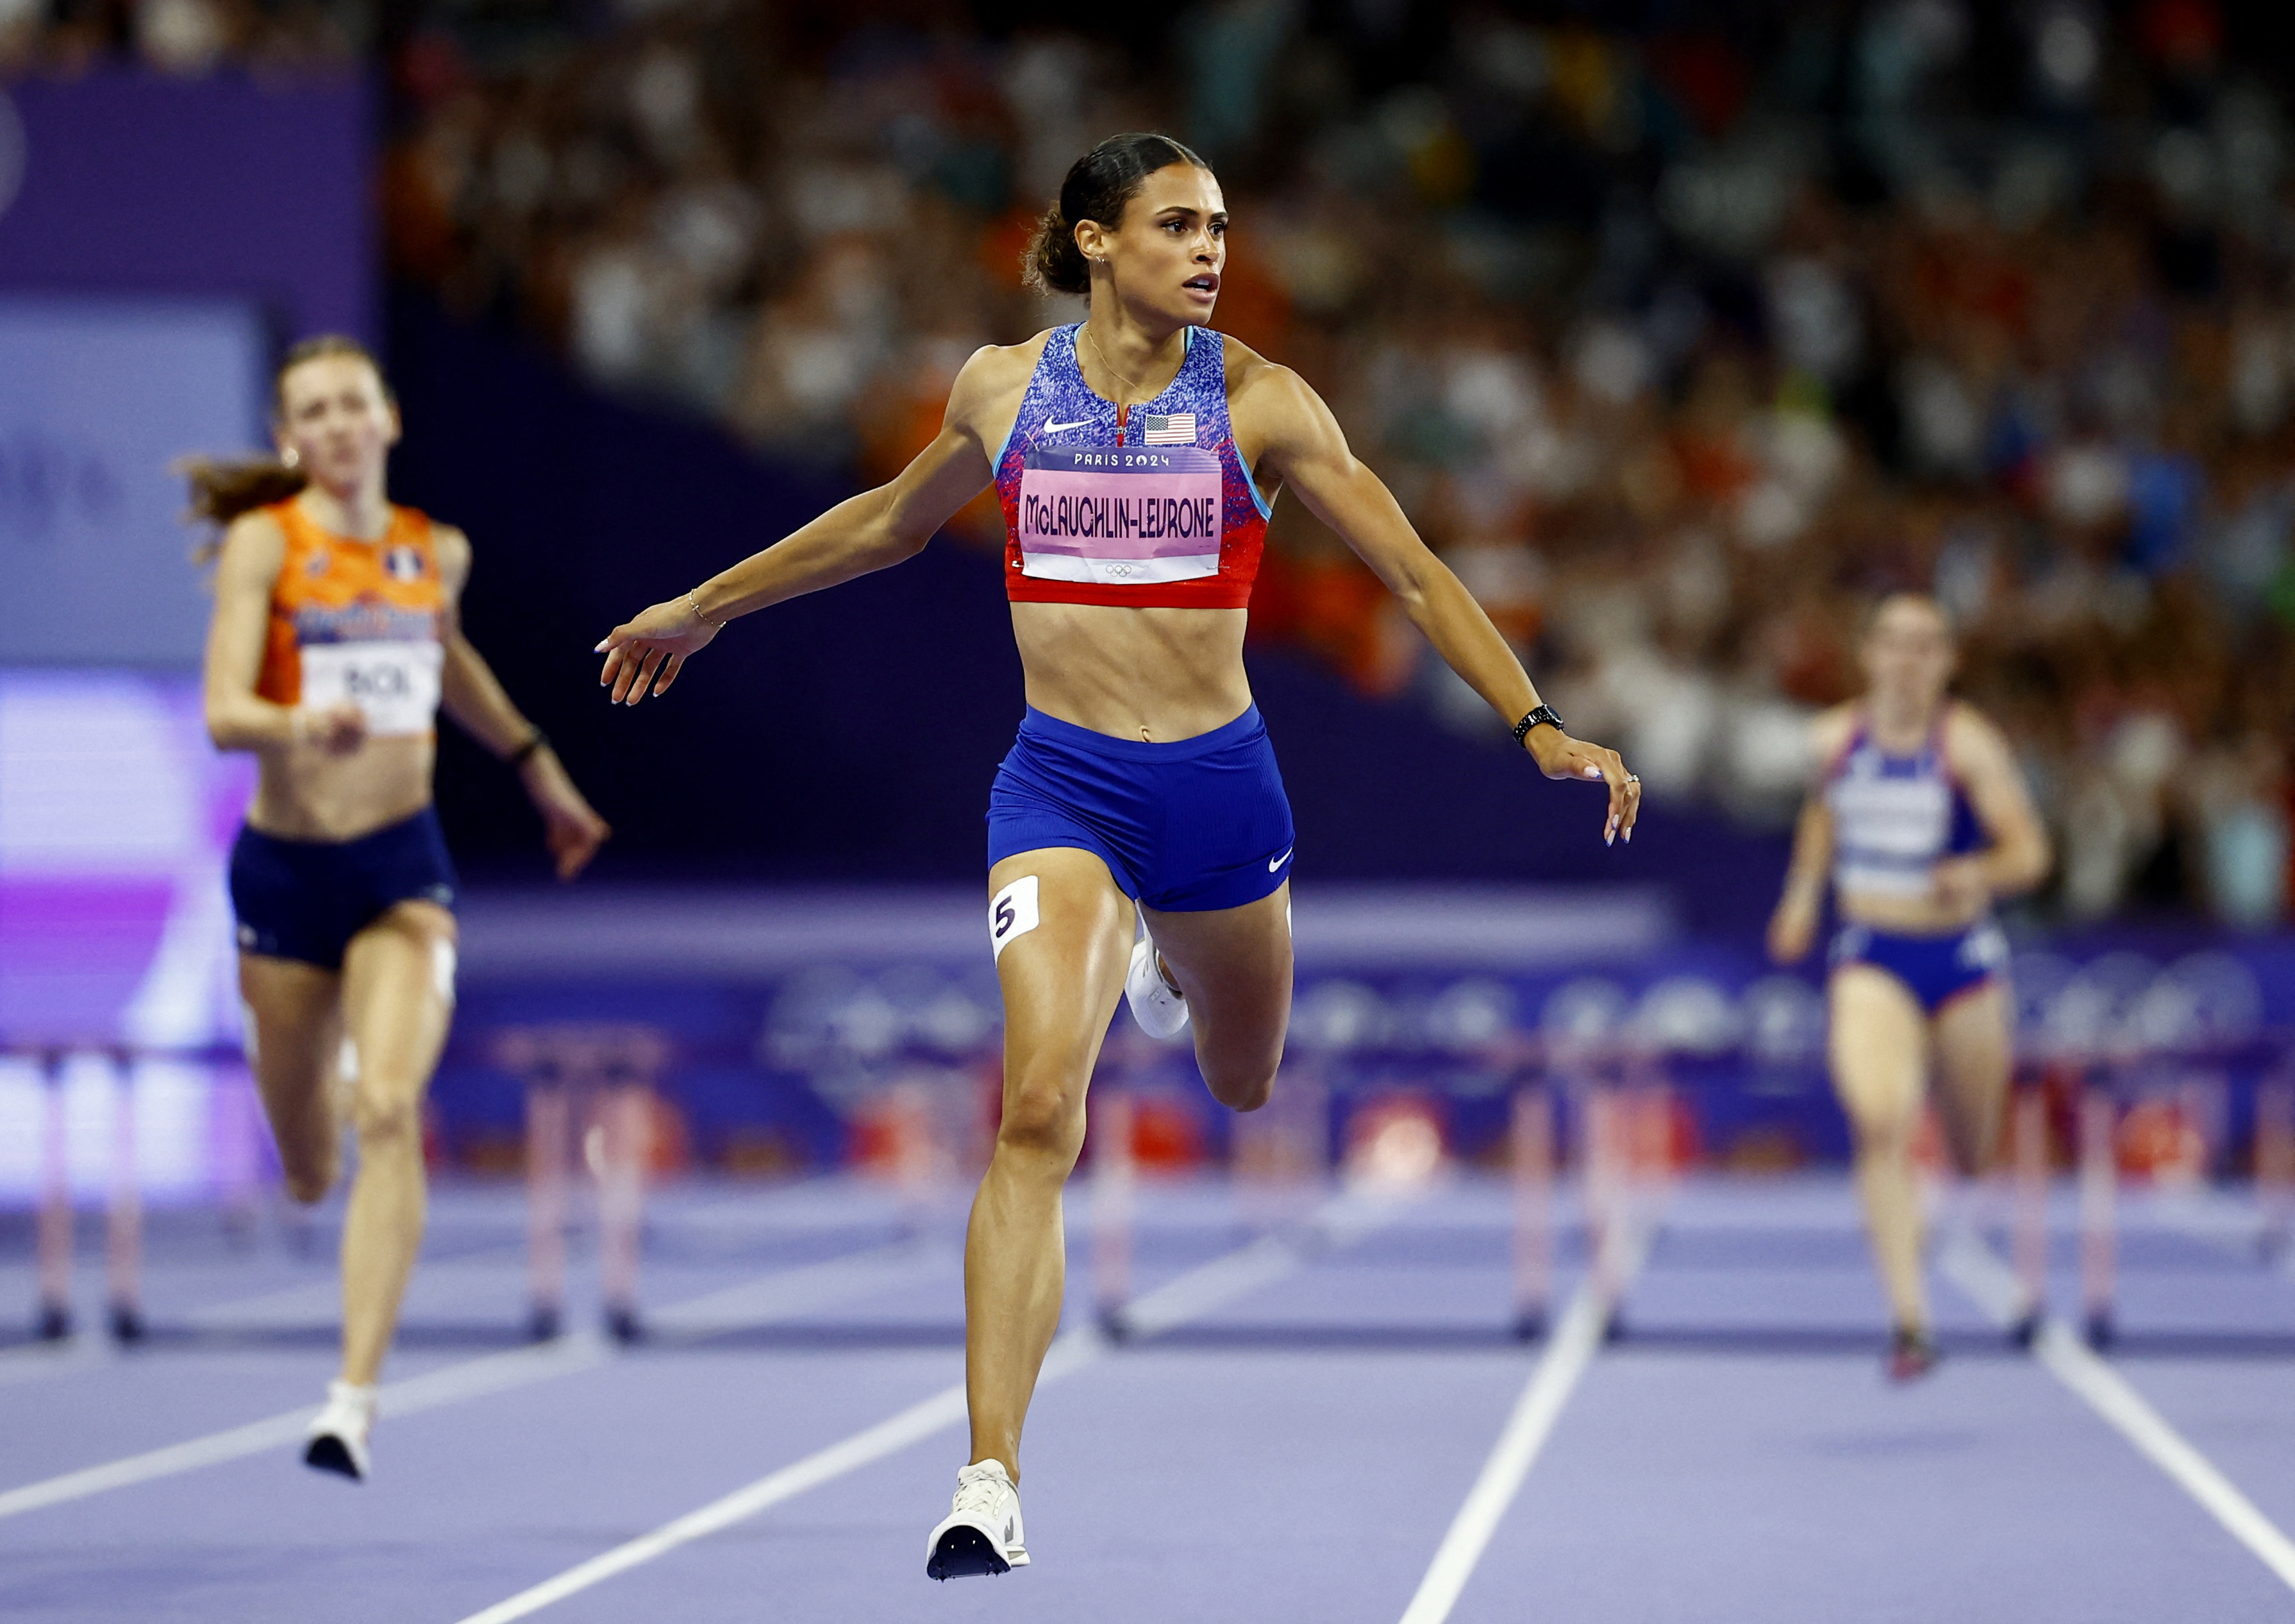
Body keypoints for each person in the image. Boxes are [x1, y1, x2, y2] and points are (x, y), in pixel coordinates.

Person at [594, 132, 1639, 1578]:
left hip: (1217, 794)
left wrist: (1533, 721)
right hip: (1059, 788)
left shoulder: (1261, 403)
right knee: (1035, 1113)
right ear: (1093, 240)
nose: (1211, 251)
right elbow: (891, 526)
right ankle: (988, 1476)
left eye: (1219, 228)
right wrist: (703, 605)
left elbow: (1408, 567)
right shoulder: (1001, 387)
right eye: (1176, 225)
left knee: (1242, 1077)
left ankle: (1167, 962)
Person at [190, 335, 611, 1479]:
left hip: (399, 871)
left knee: (390, 1105)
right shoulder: (265, 545)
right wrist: (296, 724)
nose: (333, 425)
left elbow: (448, 659)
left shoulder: (439, 552)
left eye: (350, 404)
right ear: (291, 438)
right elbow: (226, 708)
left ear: (386, 420)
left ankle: (352, 1397)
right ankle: (318, 1097)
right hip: (285, 875)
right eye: (310, 410)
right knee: (311, 1165)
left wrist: (539, 766)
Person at [1767, 593, 2050, 1380]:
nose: (1907, 660)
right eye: (1893, 644)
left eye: (1925, 646)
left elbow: (2030, 852)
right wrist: (1800, 895)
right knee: (1879, 1119)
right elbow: (1823, 814)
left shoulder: (1969, 747)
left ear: (1948, 661)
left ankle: (1953, 1183)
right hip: (1871, 953)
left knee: (1971, 1151)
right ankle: (1911, 1321)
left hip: (1960, 962)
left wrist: (1980, 871)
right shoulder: (1831, 739)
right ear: (1867, 654)